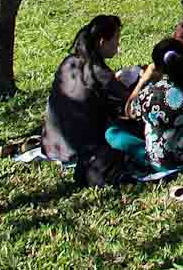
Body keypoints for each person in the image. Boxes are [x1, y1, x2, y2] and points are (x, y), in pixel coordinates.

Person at [42, 14, 139, 183]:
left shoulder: (69, 62)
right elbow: (133, 102)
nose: (118, 45)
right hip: (79, 150)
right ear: (102, 42)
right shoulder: (99, 72)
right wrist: (145, 78)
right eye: (116, 39)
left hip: (51, 145)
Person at [110, 38, 183, 172]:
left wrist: (143, 80)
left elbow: (129, 112)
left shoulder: (152, 93)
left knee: (112, 133)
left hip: (164, 164)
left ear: (158, 66)